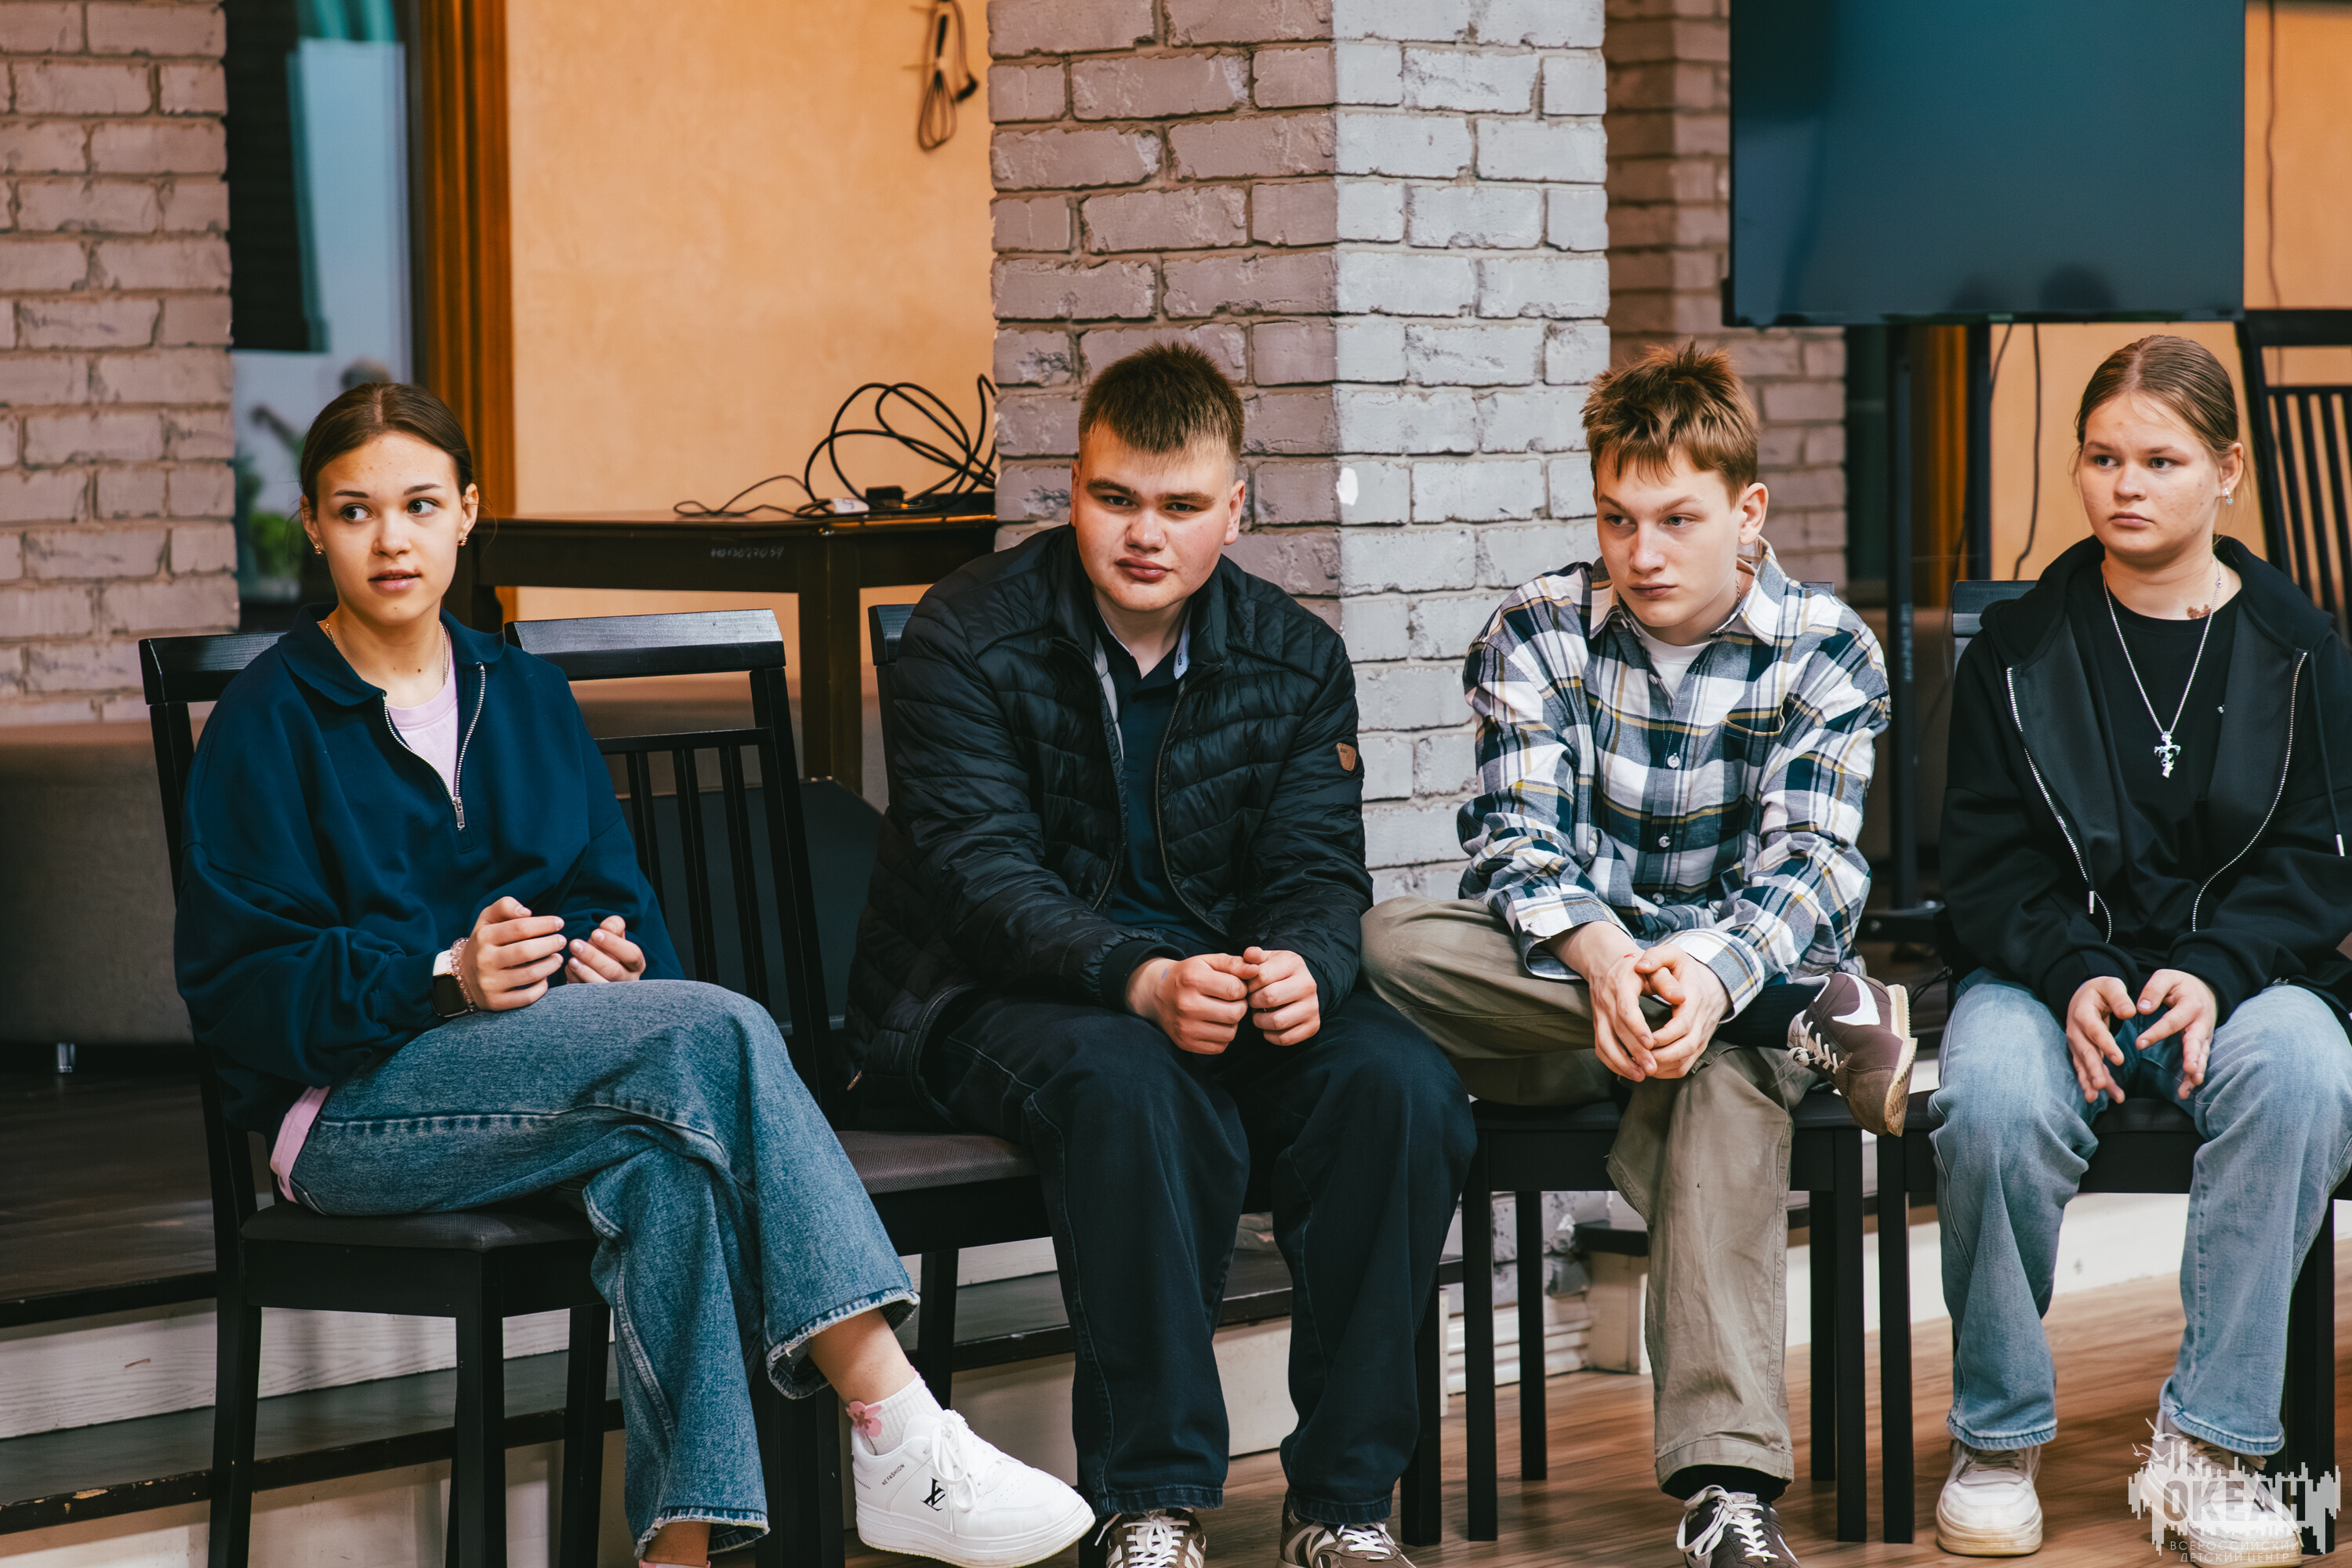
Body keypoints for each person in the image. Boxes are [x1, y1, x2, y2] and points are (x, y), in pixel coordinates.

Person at [175, 381, 1092, 1568]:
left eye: (419, 505)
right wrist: (442, 975)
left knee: (672, 1174)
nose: (391, 539)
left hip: (541, 1081)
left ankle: (679, 1558)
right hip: (349, 1113)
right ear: (312, 525)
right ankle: (896, 1425)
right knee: (718, 1031)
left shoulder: (525, 696)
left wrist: (611, 961)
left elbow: (620, 908)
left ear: (469, 512)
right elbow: (242, 997)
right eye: (356, 511)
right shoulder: (268, 720)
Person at [848, 344, 1475, 1568]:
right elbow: (981, 881)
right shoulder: (966, 632)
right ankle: (1151, 1502)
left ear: (1235, 508)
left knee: (1399, 1085)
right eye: (1115, 499)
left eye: (1181, 506)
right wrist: (1139, 977)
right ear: (1072, 489)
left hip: (1209, 990)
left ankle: (1344, 1507)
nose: (1145, 535)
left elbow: (1317, 873)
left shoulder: (1295, 655)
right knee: (1133, 1083)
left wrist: (1305, 967)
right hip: (982, 998)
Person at [1359, 343, 1898, 1568]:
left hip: (1726, 989)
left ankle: (1725, 1493)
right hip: (1569, 1002)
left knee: (1720, 1074)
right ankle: (1812, 1015)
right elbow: (1513, 845)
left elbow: (1811, 863)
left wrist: (1705, 981)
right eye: (1617, 518)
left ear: (1748, 511)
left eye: (1676, 520)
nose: (1641, 554)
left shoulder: (1825, 646)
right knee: (1386, 943)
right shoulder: (1537, 630)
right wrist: (1609, 963)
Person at [1927, 335, 2352, 1567]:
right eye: (2103, 457)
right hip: (2048, 975)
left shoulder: (2304, 648)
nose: (2126, 485)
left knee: (2307, 1073)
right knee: (1988, 1093)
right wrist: (2071, 973)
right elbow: (1985, 869)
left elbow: (2319, 862)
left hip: (2247, 981)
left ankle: (2208, 1449)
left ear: (2227, 471)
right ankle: (1997, 1440)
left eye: (2160, 460)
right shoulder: (2017, 649)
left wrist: (2215, 970)